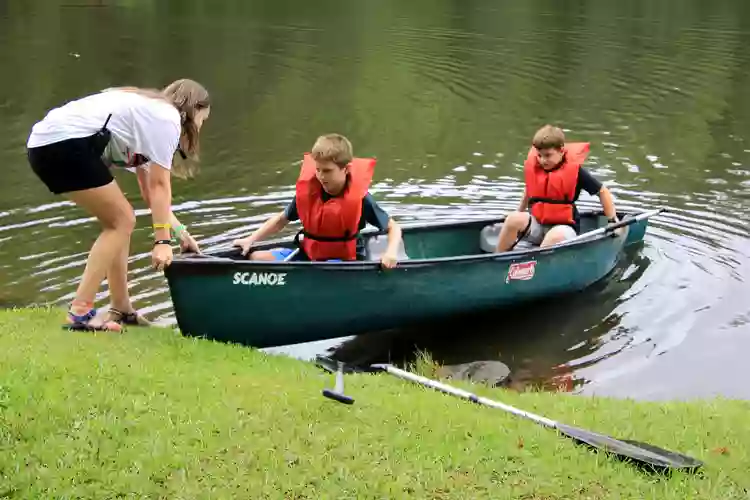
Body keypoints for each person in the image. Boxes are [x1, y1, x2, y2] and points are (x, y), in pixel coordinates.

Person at [26, 79, 211, 332]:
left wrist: (180, 233)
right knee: (123, 220)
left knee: (119, 221)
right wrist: (162, 242)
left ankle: (121, 308)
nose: (200, 126)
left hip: (45, 144)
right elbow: (160, 186)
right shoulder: (167, 120)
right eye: (203, 119)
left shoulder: (150, 115)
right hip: (63, 145)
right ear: (194, 108)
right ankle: (81, 311)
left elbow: (151, 194)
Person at [233, 133, 402, 268]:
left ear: (346, 169)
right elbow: (280, 220)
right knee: (255, 258)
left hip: (345, 262)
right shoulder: (310, 192)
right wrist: (250, 239)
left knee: (325, 270)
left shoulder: (361, 199)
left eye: (327, 171)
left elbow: (393, 227)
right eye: (318, 170)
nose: (321, 176)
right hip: (310, 256)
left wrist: (391, 252)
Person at [495, 124, 619, 252]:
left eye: (548, 155)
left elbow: (602, 191)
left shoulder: (576, 172)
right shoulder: (537, 168)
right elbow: (528, 191)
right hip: (538, 225)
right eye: (539, 155)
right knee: (512, 219)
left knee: (555, 236)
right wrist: (518, 212)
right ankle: (497, 261)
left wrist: (612, 220)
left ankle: (537, 266)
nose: (542, 160)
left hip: (563, 230)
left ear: (561, 150)